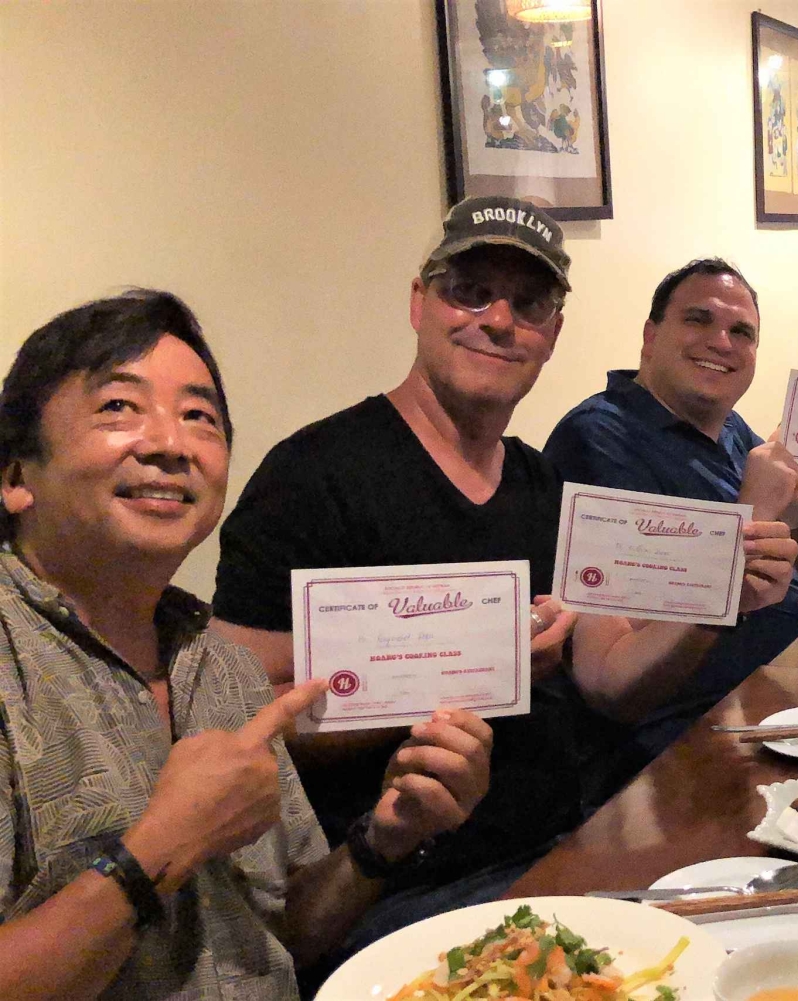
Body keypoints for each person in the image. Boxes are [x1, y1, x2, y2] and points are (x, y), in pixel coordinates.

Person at [210, 196, 798, 953]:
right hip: (405, 888)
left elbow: (615, 679)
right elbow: (235, 720)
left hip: (569, 843)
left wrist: (720, 596)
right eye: (469, 289)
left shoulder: (542, 484)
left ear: (552, 334)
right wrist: (478, 664)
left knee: (776, 915)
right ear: (419, 303)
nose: (497, 319)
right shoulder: (315, 474)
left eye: (528, 303)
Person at [0, 290, 489, 999]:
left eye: (199, 416)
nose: (170, 444)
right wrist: (164, 845)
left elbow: (279, 935)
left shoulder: (216, 660)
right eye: (119, 408)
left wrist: (382, 837)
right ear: (16, 476)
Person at [543, 257, 798, 795]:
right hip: (701, 742)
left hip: (793, 684)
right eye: (698, 320)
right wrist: (754, 515)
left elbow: (792, 486)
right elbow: (614, 680)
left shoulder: (724, 423)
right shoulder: (599, 438)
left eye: (742, 332)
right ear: (649, 335)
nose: (722, 342)